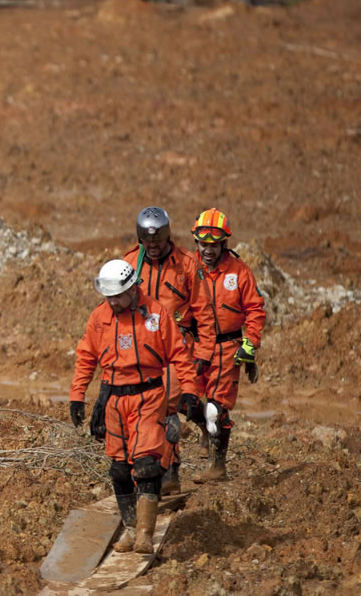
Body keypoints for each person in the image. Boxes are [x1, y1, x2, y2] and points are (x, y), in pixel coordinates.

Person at [70, 259, 200, 555]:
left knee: (147, 466)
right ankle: (129, 529)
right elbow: (86, 356)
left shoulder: (156, 314)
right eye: (108, 296)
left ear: (131, 289)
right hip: (113, 401)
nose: (112, 302)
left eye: (117, 296)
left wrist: (189, 391)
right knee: (119, 470)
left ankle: (144, 534)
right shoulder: (100, 317)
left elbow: (180, 355)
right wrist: (77, 395)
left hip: (149, 397)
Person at [121, 207, 202, 495]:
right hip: (141, 348)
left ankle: (167, 470)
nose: (153, 246)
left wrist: (204, 352)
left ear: (167, 235)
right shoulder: (130, 263)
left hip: (177, 346)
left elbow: (202, 310)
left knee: (165, 406)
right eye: (147, 240)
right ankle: (146, 467)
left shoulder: (186, 265)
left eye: (158, 240)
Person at [188, 208, 266, 483]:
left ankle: (217, 466)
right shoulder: (188, 267)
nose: (208, 250)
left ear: (224, 243)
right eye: (203, 244)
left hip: (227, 348)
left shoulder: (239, 271)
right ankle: (205, 430)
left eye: (214, 245)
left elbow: (255, 309)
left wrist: (250, 344)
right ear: (196, 242)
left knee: (217, 407)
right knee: (187, 400)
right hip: (195, 346)